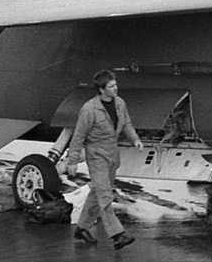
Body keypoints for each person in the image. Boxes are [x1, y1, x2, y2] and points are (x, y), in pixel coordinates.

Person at [50, 70, 143, 250]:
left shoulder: (119, 104)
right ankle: (117, 235)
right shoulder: (89, 109)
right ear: (101, 90)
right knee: (105, 195)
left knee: (97, 193)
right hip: (96, 156)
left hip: (112, 155)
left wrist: (135, 139)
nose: (116, 89)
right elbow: (78, 136)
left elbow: (127, 124)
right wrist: (72, 162)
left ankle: (82, 228)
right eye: (111, 87)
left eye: (115, 85)